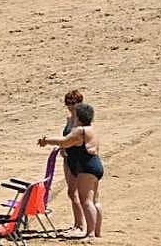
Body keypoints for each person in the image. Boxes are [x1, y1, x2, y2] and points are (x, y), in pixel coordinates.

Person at [38, 102, 103, 239]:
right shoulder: (92, 128)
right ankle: (96, 232)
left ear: (78, 117)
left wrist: (46, 140)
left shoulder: (80, 131)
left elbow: (64, 142)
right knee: (94, 200)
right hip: (95, 165)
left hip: (86, 167)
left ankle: (90, 234)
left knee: (86, 200)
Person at [57, 91, 87, 234]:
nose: (70, 106)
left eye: (72, 103)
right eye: (68, 103)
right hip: (67, 158)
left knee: (76, 192)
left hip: (78, 160)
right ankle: (77, 223)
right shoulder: (69, 120)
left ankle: (80, 225)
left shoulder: (83, 120)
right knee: (71, 192)